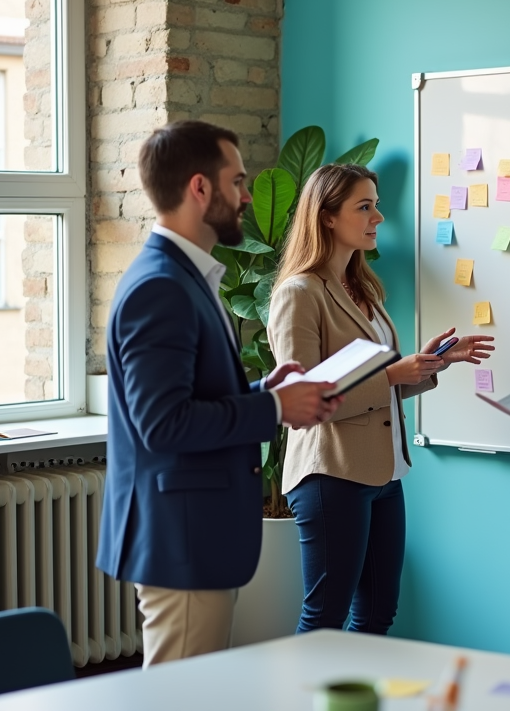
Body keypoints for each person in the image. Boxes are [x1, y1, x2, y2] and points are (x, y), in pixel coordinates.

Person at [96, 121, 341, 667]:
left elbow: (188, 397)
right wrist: (274, 408)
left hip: (193, 531)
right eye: (238, 182)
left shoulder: (184, 277)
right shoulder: (161, 286)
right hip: (182, 535)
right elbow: (163, 424)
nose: (248, 196)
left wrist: (262, 389)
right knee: (179, 698)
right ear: (200, 188)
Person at [267, 163, 494, 634]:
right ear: (327, 217)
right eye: (364, 207)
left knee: (376, 614)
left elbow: (376, 386)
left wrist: (431, 365)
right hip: (331, 473)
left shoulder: (362, 287)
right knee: (325, 618)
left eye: (377, 205)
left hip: (384, 472)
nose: (379, 218)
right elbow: (302, 400)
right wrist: (392, 374)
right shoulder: (299, 293)